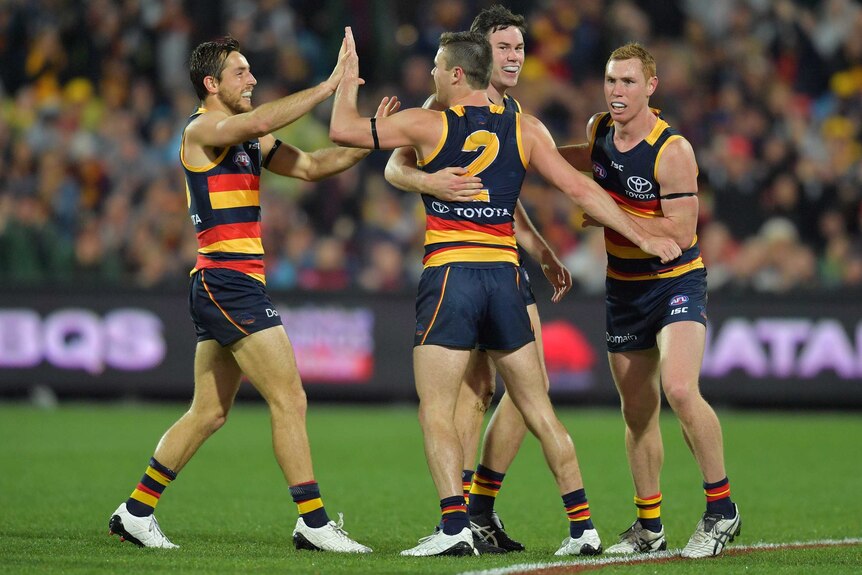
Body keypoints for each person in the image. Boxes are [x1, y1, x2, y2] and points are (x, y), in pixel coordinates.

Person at [330, 27, 682, 557]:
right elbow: (581, 188)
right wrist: (645, 235)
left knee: (437, 408)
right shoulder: (525, 127)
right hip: (504, 278)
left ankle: (454, 527)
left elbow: (342, 131)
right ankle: (583, 528)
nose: (429, 75)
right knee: (537, 405)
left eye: (435, 68)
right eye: (508, 49)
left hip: (452, 274)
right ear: (484, 63)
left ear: (454, 73)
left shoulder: (429, 119)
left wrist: (345, 79)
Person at [107, 32, 398, 553]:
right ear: (211, 83)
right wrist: (331, 84)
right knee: (290, 397)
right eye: (242, 72)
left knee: (209, 413)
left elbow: (310, 166)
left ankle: (135, 511)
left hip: (227, 284)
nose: (253, 79)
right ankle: (312, 521)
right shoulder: (204, 131)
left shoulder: (244, 139)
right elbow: (262, 119)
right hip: (227, 282)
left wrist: (376, 139)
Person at [384, 5, 568, 554]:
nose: (514, 57)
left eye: (519, 48)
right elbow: (394, 167)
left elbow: (505, 197)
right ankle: (462, 515)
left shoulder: (514, 114)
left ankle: (477, 509)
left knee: (530, 388)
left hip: (505, 263)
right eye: (504, 48)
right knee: (477, 390)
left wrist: (537, 246)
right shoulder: (441, 102)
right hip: (460, 262)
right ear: (478, 54)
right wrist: (428, 179)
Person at [557, 42, 741, 558]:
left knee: (680, 389)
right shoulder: (599, 131)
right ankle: (648, 526)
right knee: (637, 411)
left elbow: (681, 232)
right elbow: (583, 166)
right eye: (612, 81)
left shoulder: (672, 150)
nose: (618, 92)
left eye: (629, 82)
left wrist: (611, 215)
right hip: (624, 286)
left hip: (675, 281)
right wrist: (534, 159)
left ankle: (722, 509)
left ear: (651, 87)